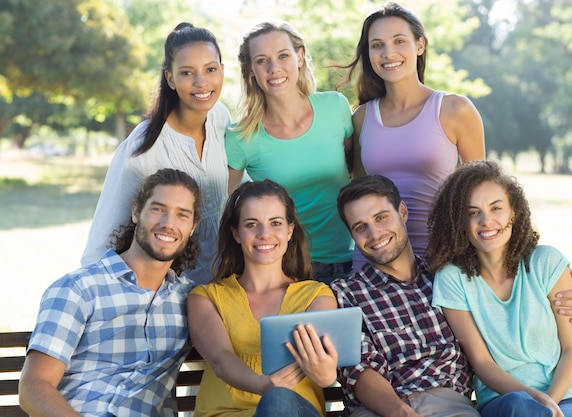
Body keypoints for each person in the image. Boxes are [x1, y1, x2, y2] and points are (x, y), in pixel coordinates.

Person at [330, 174, 572, 417]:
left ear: (403, 212)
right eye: (360, 227)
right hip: (383, 410)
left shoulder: (448, 277)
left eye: (381, 218)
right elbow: (359, 370)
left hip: (452, 406)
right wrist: (401, 412)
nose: (374, 234)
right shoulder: (347, 293)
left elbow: (513, 279)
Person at [19, 168, 202, 417]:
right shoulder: (79, 289)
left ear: (193, 227)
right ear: (136, 211)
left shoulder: (192, 300)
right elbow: (33, 387)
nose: (168, 223)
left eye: (182, 215)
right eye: (158, 209)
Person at [427, 160, 572, 417]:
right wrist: (536, 400)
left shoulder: (547, 262)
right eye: (473, 212)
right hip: (504, 402)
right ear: (460, 221)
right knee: (521, 406)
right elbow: (482, 363)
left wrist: (550, 403)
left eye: (496, 208)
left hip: (567, 398)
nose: (486, 221)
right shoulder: (452, 279)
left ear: (514, 212)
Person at [337, 2, 485, 269]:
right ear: (369, 54)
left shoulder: (454, 109)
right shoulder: (361, 117)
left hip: (442, 259)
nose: (388, 53)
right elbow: (359, 194)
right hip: (376, 261)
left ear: (420, 45)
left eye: (399, 41)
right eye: (377, 45)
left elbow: (482, 193)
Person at [81, 22, 230, 285]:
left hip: (222, 283)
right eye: (187, 73)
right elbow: (105, 235)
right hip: (166, 292)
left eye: (210, 69)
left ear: (222, 70)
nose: (201, 82)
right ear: (170, 78)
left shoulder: (221, 118)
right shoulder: (144, 147)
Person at [188, 179, 339, 417]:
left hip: (293, 412)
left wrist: (326, 373)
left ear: (290, 230)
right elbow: (220, 358)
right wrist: (262, 386)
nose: (264, 234)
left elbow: (323, 372)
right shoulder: (206, 297)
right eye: (251, 224)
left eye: (275, 223)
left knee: (277, 401)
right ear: (236, 233)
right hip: (225, 413)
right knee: (274, 396)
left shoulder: (316, 296)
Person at [225, 20, 354, 284]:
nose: (274, 69)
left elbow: (357, 175)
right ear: (250, 69)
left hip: (355, 258)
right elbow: (225, 210)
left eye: (283, 55)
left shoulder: (335, 108)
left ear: (300, 56)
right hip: (288, 271)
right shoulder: (240, 137)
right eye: (262, 61)